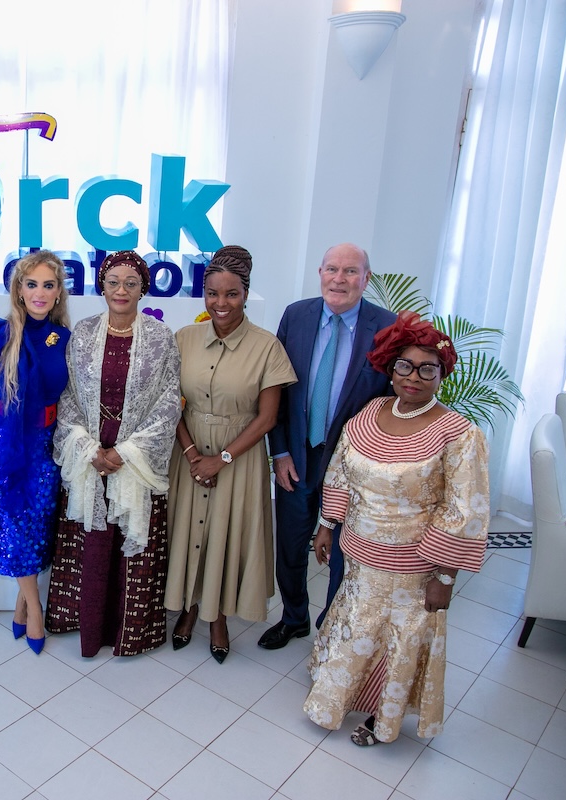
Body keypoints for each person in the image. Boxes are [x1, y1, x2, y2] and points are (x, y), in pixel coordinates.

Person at [303, 311, 489, 746]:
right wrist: (327, 525)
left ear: (442, 375)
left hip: (412, 568)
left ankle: (382, 719)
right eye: (405, 365)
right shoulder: (372, 411)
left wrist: (446, 577)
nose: (414, 377)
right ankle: (340, 692)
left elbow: (465, 508)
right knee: (354, 624)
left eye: (428, 369)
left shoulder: (459, 434)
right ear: (390, 367)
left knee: (397, 643)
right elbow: (341, 471)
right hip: (358, 556)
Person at [260, 243, 396, 650]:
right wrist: (279, 451)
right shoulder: (296, 316)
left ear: (366, 279)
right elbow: (276, 390)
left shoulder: (387, 327)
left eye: (350, 271)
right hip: (298, 456)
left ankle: (334, 631)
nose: (339, 279)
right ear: (320, 273)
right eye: (332, 269)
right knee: (290, 545)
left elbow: (390, 401)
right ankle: (294, 618)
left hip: (352, 464)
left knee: (341, 552)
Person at [165, 246, 297, 663]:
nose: (221, 303)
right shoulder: (184, 338)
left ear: (246, 294)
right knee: (187, 531)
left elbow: (268, 417)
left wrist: (220, 459)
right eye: (212, 293)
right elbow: (171, 404)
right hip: (187, 452)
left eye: (232, 294)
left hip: (239, 456)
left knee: (227, 533)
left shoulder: (267, 346)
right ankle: (188, 609)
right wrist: (192, 452)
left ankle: (218, 617)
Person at [46, 251, 181, 657]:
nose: (121, 290)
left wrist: (126, 452)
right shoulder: (83, 332)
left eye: (131, 283)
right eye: (113, 282)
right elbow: (68, 395)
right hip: (90, 457)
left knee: (130, 546)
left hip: (135, 459)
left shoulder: (161, 338)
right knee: (92, 542)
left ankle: (130, 632)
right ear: (102, 287)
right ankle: (85, 625)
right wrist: (90, 449)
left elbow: (169, 401)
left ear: (143, 289)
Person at [0, 250, 71, 654]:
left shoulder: (63, 338)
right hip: (5, 445)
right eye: (31, 284)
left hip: (47, 446)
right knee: (15, 528)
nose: (40, 293)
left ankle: (21, 605)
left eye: (48, 285)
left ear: (58, 293)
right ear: (19, 290)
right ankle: (35, 609)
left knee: (37, 528)